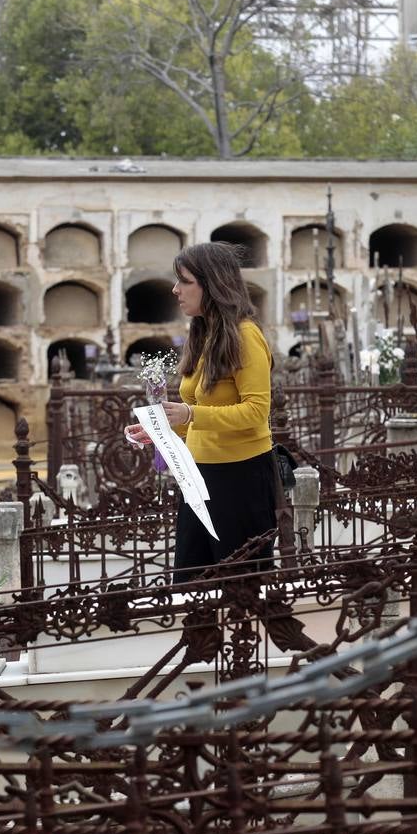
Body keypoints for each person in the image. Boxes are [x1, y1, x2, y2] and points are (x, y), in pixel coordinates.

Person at [124, 242, 278, 583]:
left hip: (241, 478)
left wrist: (190, 415)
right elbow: (198, 412)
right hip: (199, 476)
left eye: (185, 281)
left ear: (213, 284)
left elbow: (256, 411)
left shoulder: (246, 335)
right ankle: (203, 640)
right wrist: (164, 432)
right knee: (192, 584)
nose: (175, 289)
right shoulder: (205, 334)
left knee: (242, 587)